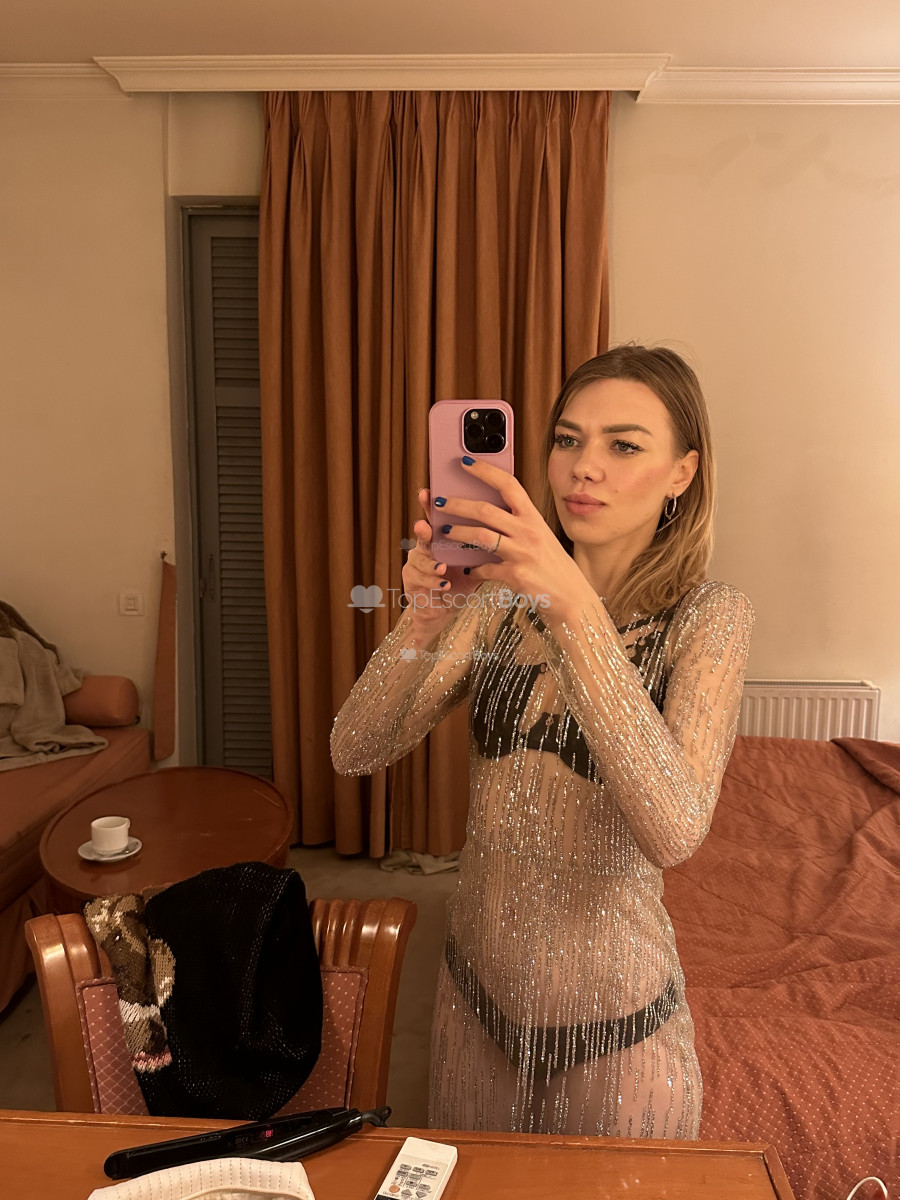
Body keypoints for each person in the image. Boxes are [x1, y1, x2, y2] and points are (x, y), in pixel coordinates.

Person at [331, 344, 754, 1140]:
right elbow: (353, 749)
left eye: (623, 445)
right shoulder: (497, 601)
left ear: (682, 472)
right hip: (473, 1005)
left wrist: (572, 604)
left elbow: (674, 830)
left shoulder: (710, 618)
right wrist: (421, 623)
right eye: (567, 439)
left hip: (620, 1031)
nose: (582, 467)